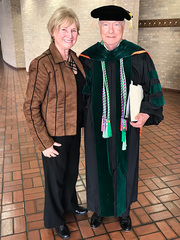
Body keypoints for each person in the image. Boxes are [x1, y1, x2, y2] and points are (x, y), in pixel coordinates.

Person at [79, 5, 164, 232]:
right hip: (96, 126)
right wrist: (81, 124)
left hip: (127, 126)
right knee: (97, 166)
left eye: (116, 25)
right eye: (106, 24)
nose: (110, 30)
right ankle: (98, 209)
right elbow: (81, 95)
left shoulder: (138, 56)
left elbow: (153, 88)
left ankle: (124, 212)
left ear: (123, 28)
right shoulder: (87, 58)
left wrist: (146, 112)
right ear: (99, 27)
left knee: (126, 166)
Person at [23, 7, 87, 239]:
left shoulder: (75, 59)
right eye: (64, 29)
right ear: (53, 31)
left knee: (70, 173)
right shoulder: (42, 63)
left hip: (73, 129)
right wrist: (44, 142)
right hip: (54, 134)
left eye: (74, 30)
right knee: (55, 178)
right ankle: (56, 218)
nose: (70, 34)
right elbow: (30, 107)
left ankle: (70, 204)